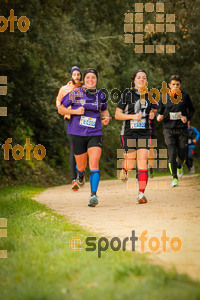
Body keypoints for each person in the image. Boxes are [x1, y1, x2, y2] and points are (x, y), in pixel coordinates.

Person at [58, 68, 110, 207]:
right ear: (84, 80)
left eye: (93, 78)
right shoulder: (76, 93)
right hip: (77, 133)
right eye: (88, 78)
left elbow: (104, 109)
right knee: (81, 165)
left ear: (96, 80)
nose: (91, 80)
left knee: (94, 163)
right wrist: (74, 111)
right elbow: (61, 109)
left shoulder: (101, 95)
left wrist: (106, 117)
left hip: (95, 132)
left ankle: (93, 195)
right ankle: (80, 174)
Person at [115, 70, 155, 204]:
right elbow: (117, 115)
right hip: (129, 133)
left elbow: (155, 109)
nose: (142, 80)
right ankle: (125, 169)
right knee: (131, 164)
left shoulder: (150, 96)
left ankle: (141, 193)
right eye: (139, 78)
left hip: (144, 133)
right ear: (134, 80)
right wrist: (132, 116)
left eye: (144, 78)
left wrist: (153, 114)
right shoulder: (127, 95)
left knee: (143, 163)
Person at [157, 75, 195, 187]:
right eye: (173, 84)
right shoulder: (164, 97)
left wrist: (187, 118)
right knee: (172, 153)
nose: (175, 86)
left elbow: (192, 110)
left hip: (182, 129)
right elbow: (159, 111)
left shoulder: (185, 96)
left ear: (180, 85)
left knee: (182, 154)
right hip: (168, 129)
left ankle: (179, 166)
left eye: (177, 84)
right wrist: (159, 116)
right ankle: (174, 178)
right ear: (169, 85)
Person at [56, 66, 82, 191]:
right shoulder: (64, 89)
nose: (77, 76)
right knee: (73, 148)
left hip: (82, 123)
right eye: (75, 74)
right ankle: (73, 179)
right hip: (69, 121)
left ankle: (81, 173)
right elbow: (59, 104)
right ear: (71, 75)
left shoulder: (84, 88)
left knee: (82, 149)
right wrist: (69, 110)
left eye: (78, 74)